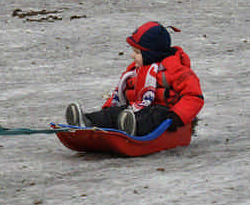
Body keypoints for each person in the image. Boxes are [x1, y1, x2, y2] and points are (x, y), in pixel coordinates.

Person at [65, 22, 203, 137]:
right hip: (135, 109)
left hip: (166, 117)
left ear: (152, 54)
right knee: (114, 113)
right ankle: (87, 122)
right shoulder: (133, 71)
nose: (132, 55)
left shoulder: (175, 70)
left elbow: (194, 96)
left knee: (154, 115)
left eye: (137, 52)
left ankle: (131, 128)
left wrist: (176, 116)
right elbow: (119, 92)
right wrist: (108, 108)